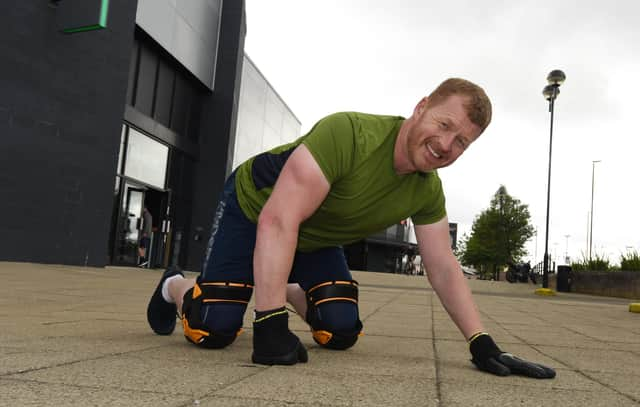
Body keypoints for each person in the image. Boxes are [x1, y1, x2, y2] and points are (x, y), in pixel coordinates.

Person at [146, 78, 556, 378]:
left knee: (340, 331)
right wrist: (269, 320)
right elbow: (278, 218)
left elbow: (443, 265)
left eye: (462, 142)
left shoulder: (426, 191)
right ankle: (175, 285)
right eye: (445, 125)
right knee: (213, 329)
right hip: (255, 209)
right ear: (422, 106)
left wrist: (479, 341)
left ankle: (280, 287)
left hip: (313, 238)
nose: (446, 145)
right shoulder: (350, 134)